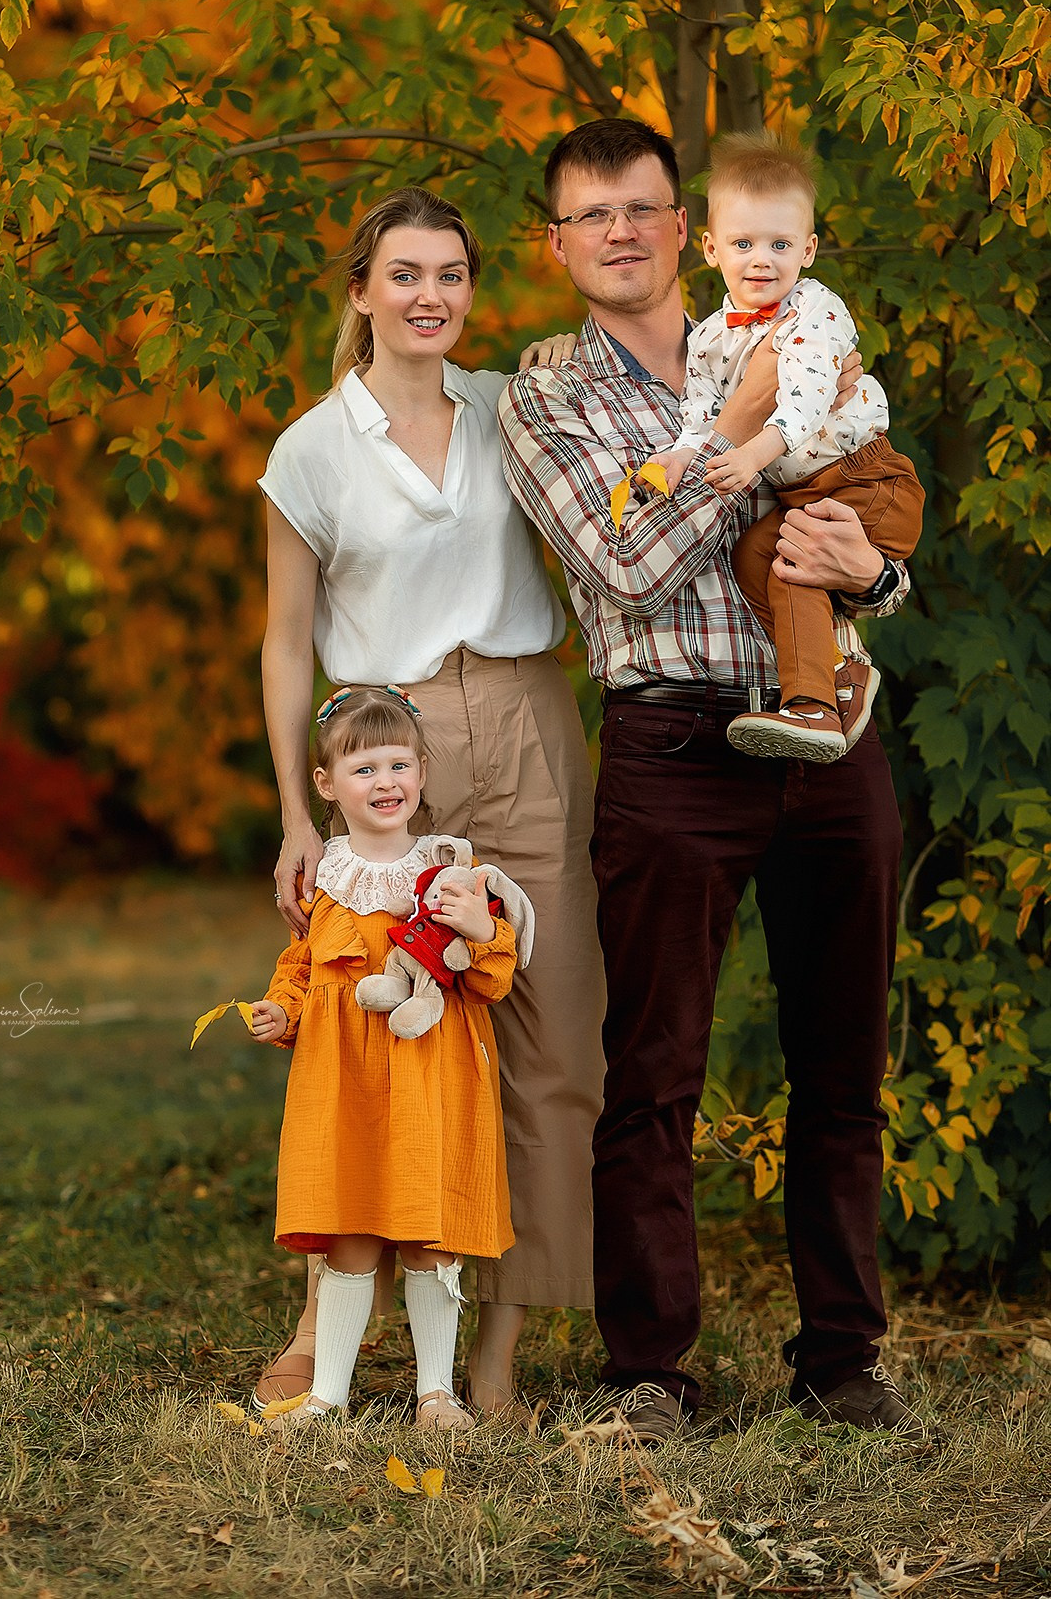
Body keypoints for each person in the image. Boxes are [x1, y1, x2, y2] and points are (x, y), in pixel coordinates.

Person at [498, 117, 925, 1443]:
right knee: (656, 1070)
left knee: (843, 1064)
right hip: (675, 752)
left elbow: (861, 512)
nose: (619, 232)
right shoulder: (547, 392)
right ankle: (652, 1376)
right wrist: (743, 438)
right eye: (590, 215)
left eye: (641, 208)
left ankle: (843, 1358)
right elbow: (624, 568)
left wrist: (875, 571)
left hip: (831, 739)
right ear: (558, 242)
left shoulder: (790, 323)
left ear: (685, 225)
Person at [256, 186, 606, 1414]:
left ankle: (494, 1363)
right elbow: (285, 643)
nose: (428, 296)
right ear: (361, 291)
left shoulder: (513, 408)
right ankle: (323, 1329)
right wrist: (302, 818)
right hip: (386, 738)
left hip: (524, 719)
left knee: (545, 1036)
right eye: (403, 274)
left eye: (450, 274)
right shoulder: (310, 448)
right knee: (368, 1033)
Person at [247, 687, 525, 1431]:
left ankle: (436, 1394)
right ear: (326, 785)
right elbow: (303, 968)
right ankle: (329, 1393)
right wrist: (284, 1013)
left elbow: (490, 975)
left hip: (432, 1081)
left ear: (424, 772)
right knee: (352, 1231)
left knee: (430, 1231)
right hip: (346, 1087)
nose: (385, 782)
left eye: (399, 764)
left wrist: (478, 927)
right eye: (364, 768)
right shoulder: (324, 875)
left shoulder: (450, 873)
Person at [648, 131, 924, 763]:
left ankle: (815, 701)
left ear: (809, 248)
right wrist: (681, 455)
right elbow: (702, 413)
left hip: (863, 482)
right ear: (712, 249)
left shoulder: (814, 312)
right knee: (757, 561)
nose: (762, 259)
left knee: (790, 562)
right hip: (805, 497)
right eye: (743, 244)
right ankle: (831, 685)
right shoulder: (713, 335)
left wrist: (748, 456)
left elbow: (801, 403)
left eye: (779, 244)